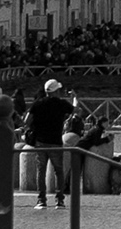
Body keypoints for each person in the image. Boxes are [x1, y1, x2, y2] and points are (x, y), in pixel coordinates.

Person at [22, 78, 80, 207]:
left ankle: (41, 200)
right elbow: (77, 111)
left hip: (40, 141)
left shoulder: (38, 103)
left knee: (41, 171)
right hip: (55, 141)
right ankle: (59, 200)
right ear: (55, 91)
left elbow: (27, 121)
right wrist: (75, 98)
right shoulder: (61, 104)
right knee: (58, 171)